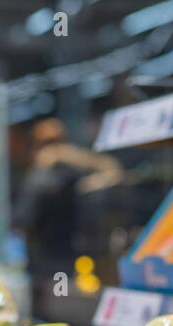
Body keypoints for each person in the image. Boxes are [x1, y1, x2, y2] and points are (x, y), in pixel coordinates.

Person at [14, 118, 123, 288]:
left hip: (53, 257)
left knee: (56, 299)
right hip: (58, 256)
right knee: (57, 297)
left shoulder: (46, 175)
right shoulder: (62, 171)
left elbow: (24, 219)